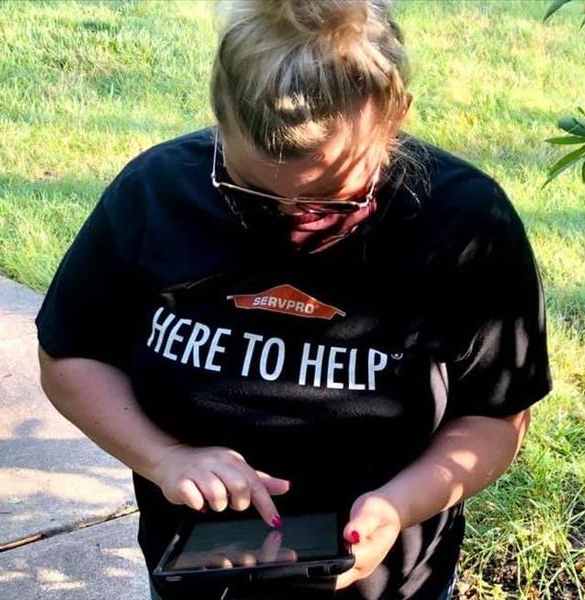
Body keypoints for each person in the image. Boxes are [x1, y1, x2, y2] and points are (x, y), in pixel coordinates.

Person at [35, 1, 553, 599]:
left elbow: (496, 414)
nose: (291, 221)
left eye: (332, 196)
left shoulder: (465, 226)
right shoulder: (154, 195)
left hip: (393, 587)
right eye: (250, 191)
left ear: (394, 116)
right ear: (219, 117)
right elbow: (71, 355)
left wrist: (398, 505)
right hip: (197, 578)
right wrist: (165, 458)